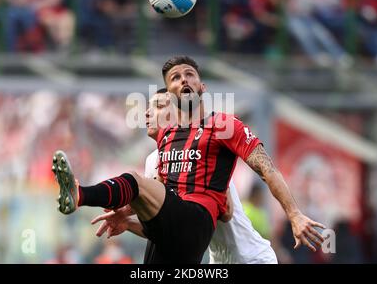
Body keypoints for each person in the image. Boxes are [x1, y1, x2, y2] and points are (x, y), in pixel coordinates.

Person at [52, 55, 325, 264]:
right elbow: (163, 205)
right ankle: (80, 195)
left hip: (247, 257)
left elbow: (264, 172)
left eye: (189, 75)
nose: (183, 80)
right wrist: (129, 216)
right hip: (206, 253)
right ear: (170, 92)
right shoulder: (165, 143)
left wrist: (294, 214)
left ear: (202, 86)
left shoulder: (223, 126)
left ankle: (80, 194)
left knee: (134, 182)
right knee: (143, 205)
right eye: (175, 78)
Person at [92, 88, 277, 264]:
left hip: (252, 258)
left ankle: (83, 194)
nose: (147, 112)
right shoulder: (152, 162)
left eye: (159, 106)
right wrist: (128, 222)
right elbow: (169, 230)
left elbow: (225, 210)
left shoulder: (199, 150)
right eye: (149, 106)